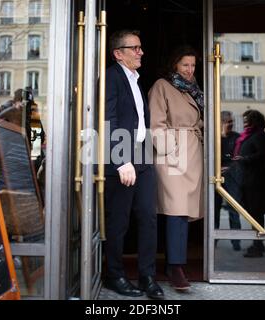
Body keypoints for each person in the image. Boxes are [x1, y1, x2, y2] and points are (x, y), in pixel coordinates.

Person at [104, 29, 164, 299]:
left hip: (142, 156)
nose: (141, 52)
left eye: (140, 47)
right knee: (119, 222)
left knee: (148, 219)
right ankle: (114, 275)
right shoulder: (111, 76)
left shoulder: (136, 79)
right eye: (135, 48)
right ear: (119, 53)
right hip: (123, 159)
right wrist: (121, 160)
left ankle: (147, 277)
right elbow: (109, 118)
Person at [148, 45, 204, 291]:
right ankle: (175, 266)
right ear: (174, 65)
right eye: (185, 65)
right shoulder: (162, 85)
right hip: (173, 155)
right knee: (176, 210)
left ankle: (176, 263)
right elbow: (155, 122)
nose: (190, 70)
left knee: (183, 211)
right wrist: (170, 150)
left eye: (193, 65)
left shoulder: (194, 89)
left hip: (192, 153)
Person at [231, 109, 265, 258]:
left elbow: (261, 155)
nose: (244, 122)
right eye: (244, 119)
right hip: (249, 181)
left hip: (256, 184)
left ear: (254, 121)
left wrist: (244, 159)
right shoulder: (251, 135)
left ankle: (258, 245)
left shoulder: (259, 135)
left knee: (256, 215)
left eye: (247, 120)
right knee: (253, 215)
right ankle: (257, 244)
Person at [214, 111, 241, 251]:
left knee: (234, 209)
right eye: (228, 121)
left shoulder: (237, 137)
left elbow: (239, 158)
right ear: (221, 122)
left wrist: (229, 167)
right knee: (214, 210)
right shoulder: (215, 137)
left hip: (231, 177)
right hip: (216, 177)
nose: (231, 124)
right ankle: (213, 240)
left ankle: (236, 242)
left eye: (231, 121)